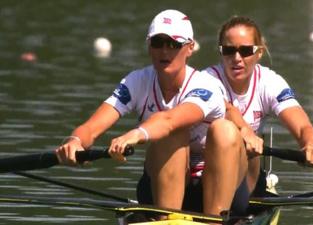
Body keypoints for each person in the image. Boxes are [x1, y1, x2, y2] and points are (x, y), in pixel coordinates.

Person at [55, 9, 254, 217]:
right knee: (170, 135)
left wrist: (136, 134)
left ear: (190, 47)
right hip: (164, 190)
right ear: (149, 46)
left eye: (174, 44)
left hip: (223, 194)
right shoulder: (136, 81)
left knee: (223, 129)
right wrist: (75, 141)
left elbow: (169, 120)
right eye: (158, 43)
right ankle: (166, 218)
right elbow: (91, 127)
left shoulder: (207, 86)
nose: (164, 51)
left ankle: (215, 221)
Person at [203, 15, 313, 195]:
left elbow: (302, 126)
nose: (236, 58)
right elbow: (227, 110)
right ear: (221, 52)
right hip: (200, 173)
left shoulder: (270, 82)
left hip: (243, 176)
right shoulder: (206, 79)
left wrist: (310, 145)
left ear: (259, 52)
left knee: (251, 151)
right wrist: (246, 132)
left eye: (245, 51)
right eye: (229, 50)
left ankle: (239, 209)